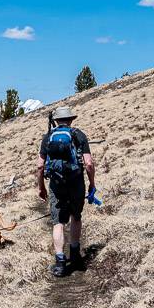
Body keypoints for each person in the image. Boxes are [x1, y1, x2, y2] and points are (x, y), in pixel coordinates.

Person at [36, 106, 95, 277]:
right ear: (70, 119)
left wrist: (41, 187)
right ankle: (75, 256)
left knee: (58, 222)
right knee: (76, 217)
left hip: (56, 184)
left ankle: (61, 263)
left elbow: (40, 166)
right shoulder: (79, 135)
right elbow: (89, 163)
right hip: (76, 182)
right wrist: (92, 184)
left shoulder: (48, 137)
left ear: (55, 121)